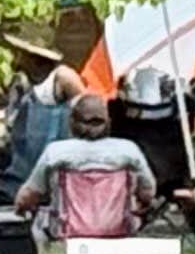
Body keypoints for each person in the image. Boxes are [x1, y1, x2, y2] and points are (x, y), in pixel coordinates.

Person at [14, 91, 155, 231]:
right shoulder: (129, 150)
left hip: (66, 232)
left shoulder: (56, 152)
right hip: (120, 229)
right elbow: (148, 192)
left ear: (72, 122)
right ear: (108, 122)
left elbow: (27, 196)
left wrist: (22, 207)